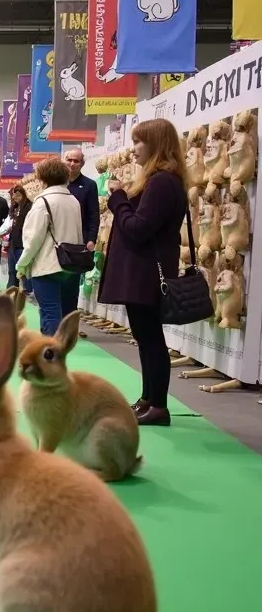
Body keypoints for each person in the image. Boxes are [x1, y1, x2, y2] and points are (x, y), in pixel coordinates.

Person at [97, 118, 186, 427]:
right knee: (145, 337)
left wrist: (119, 199)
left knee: (150, 339)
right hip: (143, 271)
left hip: (147, 272)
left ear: (156, 144)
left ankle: (158, 405)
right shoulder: (158, 180)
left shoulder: (162, 182)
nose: (133, 148)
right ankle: (149, 399)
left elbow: (137, 228)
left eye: (138, 141)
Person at [15, 158, 84, 336]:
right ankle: (59, 354)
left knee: (50, 313)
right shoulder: (74, 200)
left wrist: (22, 265)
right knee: (65, 314)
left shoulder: (42, 202)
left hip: (47, 266)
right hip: (71, 265)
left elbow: (33, 239)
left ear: (42, 178)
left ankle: (49, 356)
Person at [64, 147, 101, 251]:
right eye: (69, 160)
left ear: (82, 164)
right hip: (59, 237)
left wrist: (91, 239)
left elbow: (93, 214)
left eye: (76, 161)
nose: (72, 164)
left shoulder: (90, 185)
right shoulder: (58, 183)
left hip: (80, 238)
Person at [6, 184, 33, 293]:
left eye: (18, 194)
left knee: (23, 270)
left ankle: (27, 291)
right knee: (12, 270)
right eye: (13, 195)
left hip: (23, 244)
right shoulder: (14, 208)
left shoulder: (30, 207)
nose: (15, 197)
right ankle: (12, 290)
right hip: (13, 242)